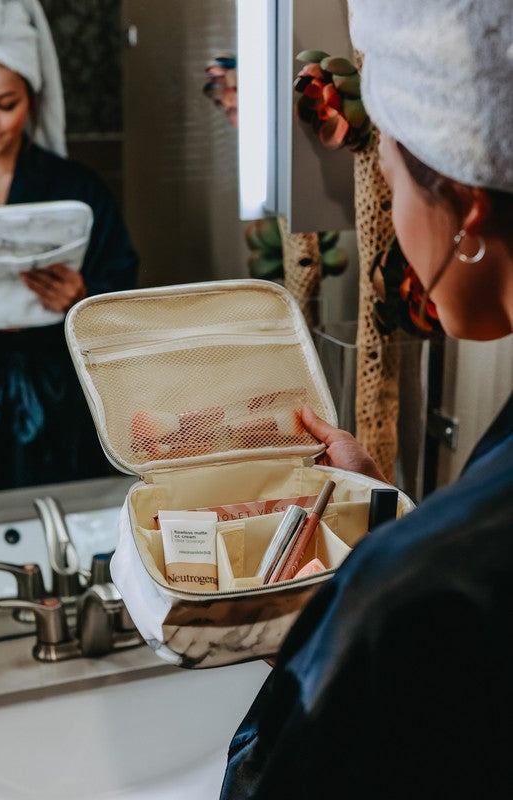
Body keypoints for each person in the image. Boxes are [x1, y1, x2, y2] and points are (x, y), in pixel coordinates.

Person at [220, 1, 513, 797]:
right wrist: (387, 517)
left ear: (467, 205)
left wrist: (352, 596)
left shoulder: (411, 593)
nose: (394, 230)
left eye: (387, 180)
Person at [0, 0, 138, 491]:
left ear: (33, 98)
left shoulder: (77, 188)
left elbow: (122, 296)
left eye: (6, 105)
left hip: (57, 403)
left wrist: (81, 300)